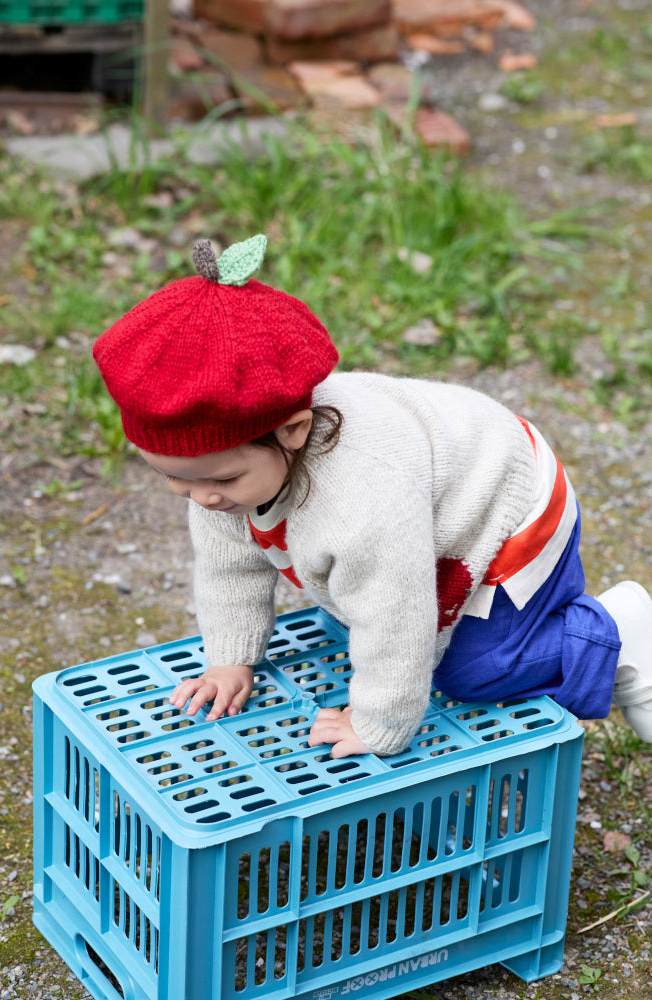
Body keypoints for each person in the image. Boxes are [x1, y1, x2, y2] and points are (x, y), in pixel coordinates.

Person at [92, 234, 652, 757]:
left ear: (294, 430)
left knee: (471, 670)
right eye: (174, 478)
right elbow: (229, 566)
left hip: (508, 505)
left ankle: (621, 633)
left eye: (219, 481)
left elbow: (396, 612)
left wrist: (378, 722)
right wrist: (231, 659)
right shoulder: (221, 469)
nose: (201, 498)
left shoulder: (360, 495)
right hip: (431, 496)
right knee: (354, 601)